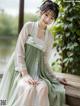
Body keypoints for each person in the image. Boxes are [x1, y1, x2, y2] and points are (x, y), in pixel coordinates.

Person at [0, 0, 67, 106]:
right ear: (41, 13)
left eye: (52, 18)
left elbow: (45, 61)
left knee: (43, 87)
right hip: (20, 70)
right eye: (46, 15)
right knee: (29, 88)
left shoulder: (49, 37)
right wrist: (25, 74)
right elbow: (19, 50)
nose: (48, 19)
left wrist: (55, 77)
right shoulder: (29, 27)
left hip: (38, 74)